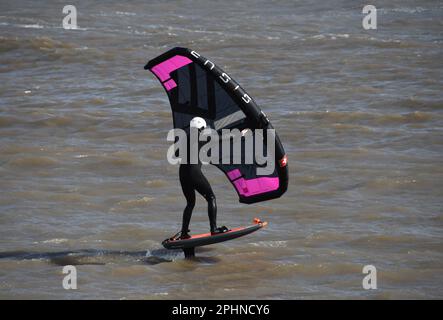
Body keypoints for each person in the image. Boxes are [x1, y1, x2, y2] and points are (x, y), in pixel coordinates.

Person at [175, 117, 228, 240]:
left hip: (182, 174)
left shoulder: (184, 138)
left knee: (190, 203)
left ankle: (184, 232)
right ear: (201, 128)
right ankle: (213, 229)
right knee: (211, 197)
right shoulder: (200, 137)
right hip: (193, 172)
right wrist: (239, 135)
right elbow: (220, 139)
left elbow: (176, 153)